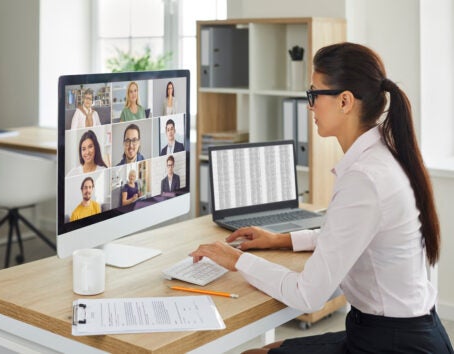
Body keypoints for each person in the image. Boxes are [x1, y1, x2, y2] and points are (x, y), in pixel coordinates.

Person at [190, 42, 454, 354]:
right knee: (267, 349)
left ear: (345, 101)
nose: (310, 105)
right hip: (400, 332)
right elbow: (352, 235)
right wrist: (283, 240)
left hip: (394, 345)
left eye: (314, 94)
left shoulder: (365, 178)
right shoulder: (383, 154)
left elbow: (307, 296)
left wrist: (236, 260)